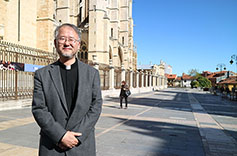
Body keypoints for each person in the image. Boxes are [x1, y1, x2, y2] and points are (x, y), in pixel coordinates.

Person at [32, 23, 102, 156]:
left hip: (82, 145)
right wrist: (60, 135)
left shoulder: (92, 73)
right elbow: (39, 108)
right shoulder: (42, 74)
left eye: (71, 39)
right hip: (52, 146)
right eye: (62, 38)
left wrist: (75, 138)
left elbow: (96, 106)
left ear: (79, 44)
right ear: (55, 42)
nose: (67, 43)